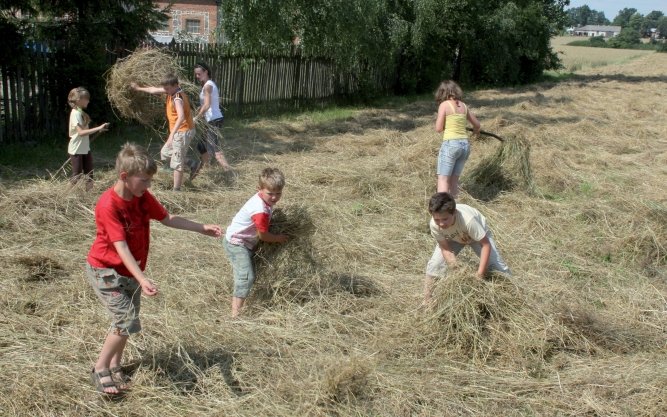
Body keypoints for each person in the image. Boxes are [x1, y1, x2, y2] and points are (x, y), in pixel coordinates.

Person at [86, 143, 222, 395]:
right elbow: (121, 248)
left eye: (150, 181)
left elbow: (167, 218)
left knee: (128, 319)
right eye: (144, 181)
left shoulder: (141, 197)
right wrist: (143, 278)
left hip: (130, 271)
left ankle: (116, 363)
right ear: (124, 177)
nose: (148, 186)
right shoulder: (109, 205)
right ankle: (100, 367)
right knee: (125, 319)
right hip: (106, 270)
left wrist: (201, 227)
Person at [423, 192, 510, 305]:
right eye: (437, 220)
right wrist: (456, 268)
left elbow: (485, 245)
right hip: (453, 237)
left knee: (497, 266)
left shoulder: (468, 220)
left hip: (477, 236)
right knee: (435, 265)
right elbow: (445, 249)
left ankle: (511, 293)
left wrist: (480, 274)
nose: (441, 223)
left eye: (445, 219)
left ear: (454, 212)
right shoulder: (435, 226)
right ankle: (427, 301)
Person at [223, 168, 289, 318]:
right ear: (259, 189)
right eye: (270, 193)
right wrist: (278, 238)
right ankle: (235, 315)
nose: (274, 198)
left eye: (278, 193)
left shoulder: (263, 201)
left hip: (246, 241)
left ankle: (238, 296)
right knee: (247, 277)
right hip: (237, 243)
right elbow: (264, 235)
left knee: (246, 273)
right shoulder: (260, 209)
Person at [131, 75, 196, 191]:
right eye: (164, 88)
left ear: (175, 86)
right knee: (165, 153)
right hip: (179, 131)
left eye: (167, 89)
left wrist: (172, 135)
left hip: (182, 131)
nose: (165, 91)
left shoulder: (177, 98)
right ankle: (191, 163)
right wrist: (138, 88)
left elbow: (181, 117)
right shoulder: (171, 91)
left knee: (177, 162)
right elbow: (153, 90)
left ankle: (176, 190)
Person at [434, 80, 481, 197]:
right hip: (465, 146)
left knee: (443, 179)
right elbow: (477, 125)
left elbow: (438, 128)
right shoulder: (464, 106)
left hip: (451, 144)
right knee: (454, 181)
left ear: (442, 92)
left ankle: (442, 208)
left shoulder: (444, 105)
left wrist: (446, 123)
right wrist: (476, 133)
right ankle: (454, 207)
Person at [192, 62, 232, 177]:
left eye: (199, 74)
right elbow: (207, 104)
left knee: (214, 148)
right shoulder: (208, 85)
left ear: (206, 72)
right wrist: (199, 110)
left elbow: (207, 105)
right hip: (211, 120)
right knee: (201, 145)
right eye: (196, 74)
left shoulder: (208, 86)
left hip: (213, 120)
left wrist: (196, 118)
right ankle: (206, 167)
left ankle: (229, 172)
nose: (197, 77)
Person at [67, 87, 110, 191]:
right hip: (76, 149)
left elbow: (85, 133)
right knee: (77, 175)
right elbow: (81, 133)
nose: (88, 100)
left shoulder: (80, 112)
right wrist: (98, 127)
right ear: (78, 100)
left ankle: (89, 195)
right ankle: (66, 194)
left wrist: (98, 130)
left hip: (85, 148)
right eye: (86, 98)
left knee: (89, 173)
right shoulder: (75, 114)